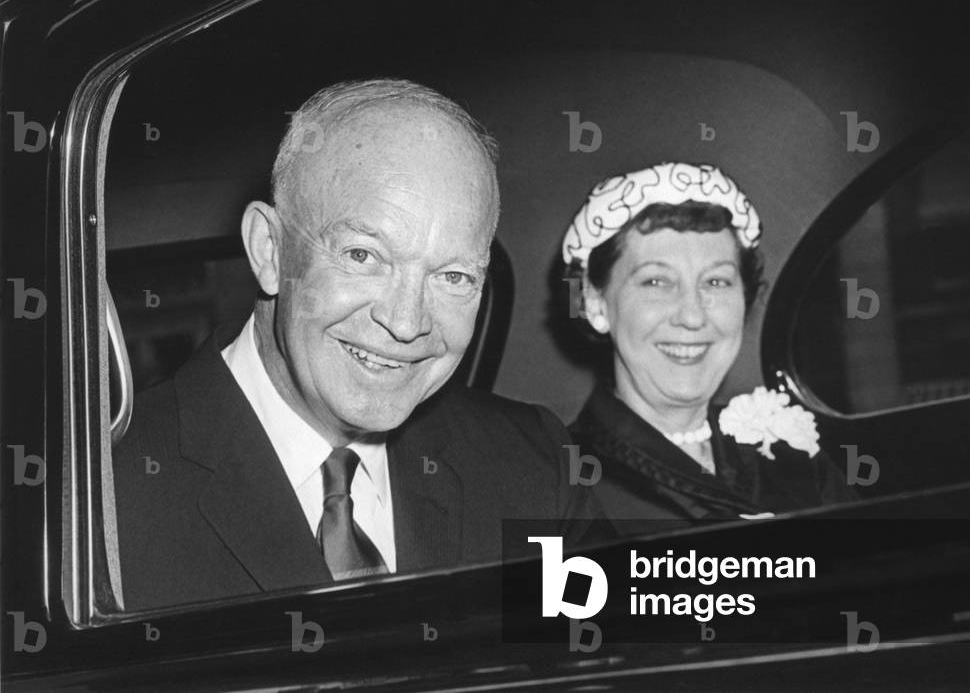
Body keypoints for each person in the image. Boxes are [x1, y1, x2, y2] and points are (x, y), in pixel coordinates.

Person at [114, 79, 593, 610]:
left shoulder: (532, 465)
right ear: (270, 251)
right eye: (363, 256)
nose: (406, 322)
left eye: (453, 276)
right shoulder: (98, 498)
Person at [561, 162, 855, 534]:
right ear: (594, 302)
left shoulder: (792, 452)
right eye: (656, 281)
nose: (693, 315)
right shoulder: (564, 485)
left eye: (716, 281)